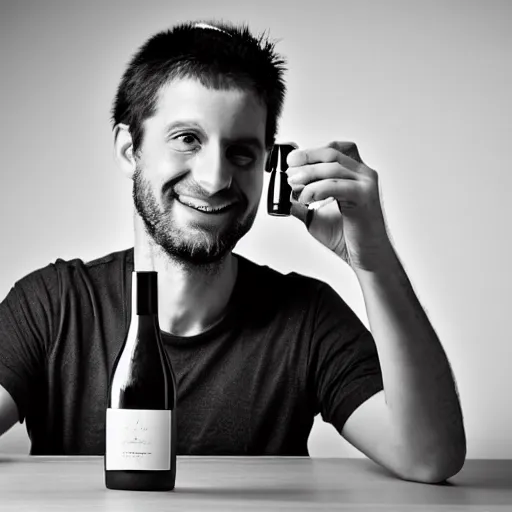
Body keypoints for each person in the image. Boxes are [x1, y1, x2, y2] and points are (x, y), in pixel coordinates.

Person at [0, 20, 466, 483]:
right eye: (187, 139)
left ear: (267, 165)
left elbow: (428, 457)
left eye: (241, 152)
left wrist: (371, 258)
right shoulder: (53, 305)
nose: (215, 178)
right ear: (130, 150)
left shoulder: (305, 318)